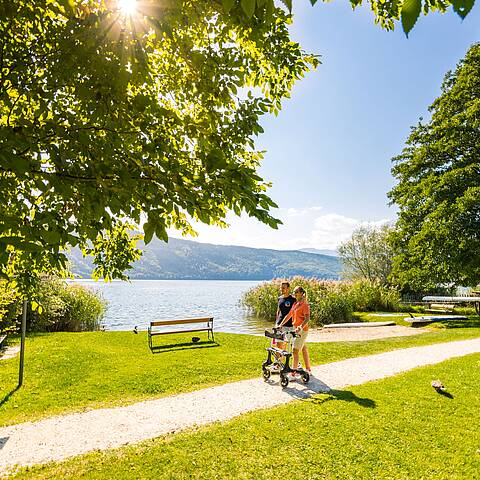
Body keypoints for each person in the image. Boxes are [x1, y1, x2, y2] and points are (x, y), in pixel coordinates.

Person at [278, 286, 311, 374]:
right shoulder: (295, 304)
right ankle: (308, 369)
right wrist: (280, 325)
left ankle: (293, 373)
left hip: (302, 330)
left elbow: (307, 318)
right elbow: (289, 315)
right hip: (295, 329)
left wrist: (300, 326)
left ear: (301, 293)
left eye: (296, 292)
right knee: (303, 348)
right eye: (294, 292)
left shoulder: (305, 304)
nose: (294, 294)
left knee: (295, 351)